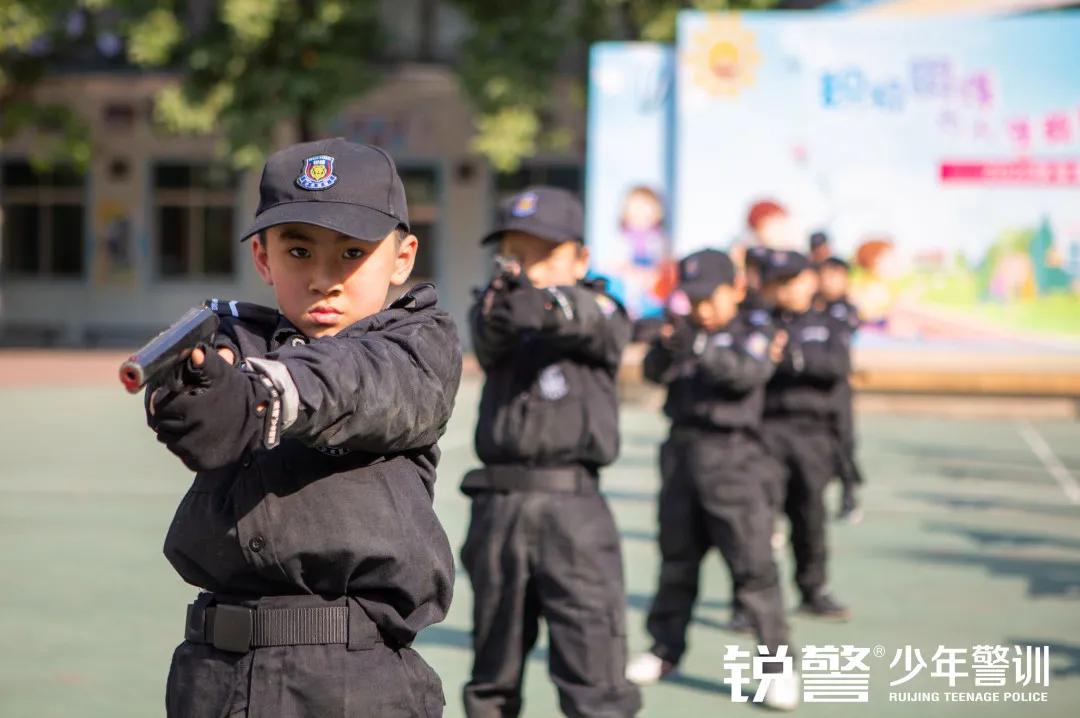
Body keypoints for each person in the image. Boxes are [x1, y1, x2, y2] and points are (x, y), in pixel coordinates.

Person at [144, 139, 462, 717]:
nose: (323, 279)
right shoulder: (229, 341)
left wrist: (264, 392)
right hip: (211, 675)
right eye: (297, 251)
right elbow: (199, 423)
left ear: (402, 258)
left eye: (351, 253)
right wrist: (192, 394)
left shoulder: (418, 344)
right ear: (263, 259)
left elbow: (356, 380)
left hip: (352, 680)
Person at [460, 187, 641, 718]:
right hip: (500, 509)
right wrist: (512, 303)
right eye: (516, 253)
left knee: (595, 676)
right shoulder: (497, 304)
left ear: (581, 258)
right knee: (492, 678)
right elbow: (489, 335)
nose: (529, 266)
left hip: (574, 511)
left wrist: (542, 303)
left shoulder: (602, 305)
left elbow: (592, 321)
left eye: (545, 253)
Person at [625, 250, 799, 710]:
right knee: (676, 562)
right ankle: (665, 651)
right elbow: (652, 372)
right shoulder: (685, 332)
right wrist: (667, 344)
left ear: (735, 291)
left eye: (711, 298)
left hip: (735, 458)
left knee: (754, 569)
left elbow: (746, 374)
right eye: (693, 298)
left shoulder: (754, 329)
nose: (702, 308)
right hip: (681, 454)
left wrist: (699, 348)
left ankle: (777, 670)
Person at [759, 250, 851, 620]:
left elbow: (836, 367)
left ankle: (813, 589)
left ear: (810, 281)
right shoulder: (759, 323)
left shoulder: (828, 323)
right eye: (777, 282)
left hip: (812, 435)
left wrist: (792, 360)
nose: (785, 290)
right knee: (757, 521)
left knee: (809, 517)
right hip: (765, 431)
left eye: (792, 281)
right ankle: (747, 601)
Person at [815, 257, 865, 521]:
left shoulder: (845, 310)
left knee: (844, 441)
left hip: (838, 387)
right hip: (816, 388)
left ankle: (849, 495)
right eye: (826, 275)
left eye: (836, 275)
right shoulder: (812, 307)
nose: (830, 281)